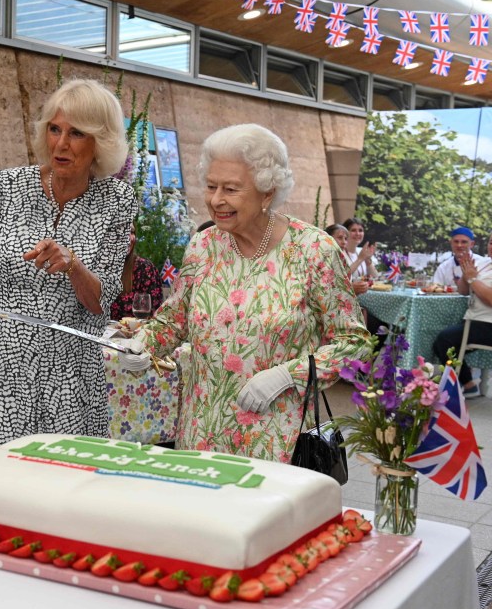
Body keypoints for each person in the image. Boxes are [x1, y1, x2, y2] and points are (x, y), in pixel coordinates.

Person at [125, 124, 371, 462]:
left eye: (230, 188)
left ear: (267, 192)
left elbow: (354, 344)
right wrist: (145, 342)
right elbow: (175, 318)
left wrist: (288, 375)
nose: (216, 200)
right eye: (211, 186)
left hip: (277, 444)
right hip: (200, 437)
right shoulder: (203, 244)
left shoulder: (313, 250)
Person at [0, 78, 138, 454]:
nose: (60, 144)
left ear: (101, 142)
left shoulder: (118, 199)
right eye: (54, 129)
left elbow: (102, 301)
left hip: (69, 374)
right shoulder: (9, 186)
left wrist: (74, 265)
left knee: (61, 485)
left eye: (76, 133)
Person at [433, 226, 492, 399]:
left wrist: (473, 278)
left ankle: (463, 384)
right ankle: (465, 383)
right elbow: (463, 290)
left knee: (445, 339)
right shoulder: (484, 263)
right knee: (443, 340)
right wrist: (465, 273)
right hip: (477, 322)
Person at [110, 223, 164, 320]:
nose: (129, 238)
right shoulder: (94, 268)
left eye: (131, 232)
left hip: (134, 333)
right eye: (122, 231)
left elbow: (154, 312)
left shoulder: (144, 269)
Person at [326, 223, 369, 295]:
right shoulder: (323, 260)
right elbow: (326, 291)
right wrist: (351, 289)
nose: (344, 242)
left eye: (346, 239)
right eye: (340, 238)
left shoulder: (340, 258)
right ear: (328, 238)